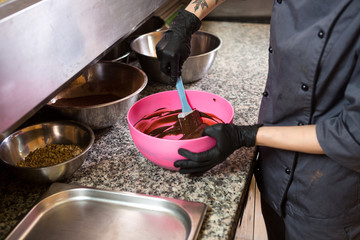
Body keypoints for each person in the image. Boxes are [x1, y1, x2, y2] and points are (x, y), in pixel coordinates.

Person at [155, 0, 360, 239]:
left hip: (327, 196)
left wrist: (246, 135)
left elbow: (353, 136)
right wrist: (187, 19)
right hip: (273, 168)